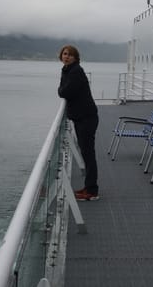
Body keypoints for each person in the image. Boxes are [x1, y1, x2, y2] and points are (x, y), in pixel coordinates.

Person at [58, 44, 99, 201]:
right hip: (81, 117)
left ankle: (92, 191)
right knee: (86, 153)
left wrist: (61, 90)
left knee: (88, 154)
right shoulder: (68, 70)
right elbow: (63, 89)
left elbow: (64, 91)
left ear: (75, 57)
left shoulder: (75, 72)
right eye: (64, 54)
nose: (66, 56)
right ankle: (89, 187)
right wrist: (62, 89)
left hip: (86, 118)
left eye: (70, 55)